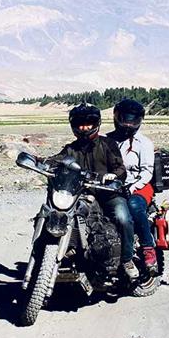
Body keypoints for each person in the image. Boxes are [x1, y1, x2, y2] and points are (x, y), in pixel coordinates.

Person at [49, 103, 139, 280]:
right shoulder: (71, 148)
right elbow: (57, 160)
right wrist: (42, 162)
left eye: (88, 123)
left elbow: (120, 168)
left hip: (108, 193)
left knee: (123, 218)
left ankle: (127, 259)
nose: (84, 128)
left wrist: (113, 176)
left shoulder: (107, 144)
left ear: (96, 123)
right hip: (82, 194)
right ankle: (69, 251)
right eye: (80, 124)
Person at [106, 98, 158, 273]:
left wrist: (133, 187)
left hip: (139, 184)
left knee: (134, 205)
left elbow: (147, 171)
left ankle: (148, 248)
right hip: (112, 185)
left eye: (133, 119)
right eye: (124, 118)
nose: (128, 123)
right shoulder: (106, 140)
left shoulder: (144, 143)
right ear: (116, 117)